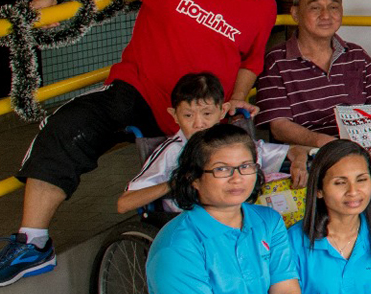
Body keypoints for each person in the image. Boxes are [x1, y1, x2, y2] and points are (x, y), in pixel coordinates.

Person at [0, 0, 284, 286]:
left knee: (236, 170)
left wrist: (237, 97)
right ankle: (32, 243)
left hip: (205, 115)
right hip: (141, 91)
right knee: (71, 126)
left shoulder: (263, 5)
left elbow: (251, 60)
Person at [145, 125, 301, 294]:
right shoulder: (177, 247)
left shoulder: (269, 221)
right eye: (221, 169)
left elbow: (286, 288)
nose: (237, 178)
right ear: (194, 178)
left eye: (246, 166)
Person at [119, 74, 295, 214]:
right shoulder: (172, 151)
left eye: (207, 114)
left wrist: (301, 154)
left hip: (235, 216)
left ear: (222, 111)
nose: (198, 124)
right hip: (189, 226)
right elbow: (124, 204)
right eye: (188, 115)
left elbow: (281, 152)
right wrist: (174, 184)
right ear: (174, 116)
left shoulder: (232, 142)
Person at [256, 0, 371, 150]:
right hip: (310, 154)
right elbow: (279, 127)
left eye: (333, 7)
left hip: (362, 150)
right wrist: (324, 143)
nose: (326, 15)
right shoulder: (277, 61)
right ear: (295, 13)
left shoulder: (357, 55)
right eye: (315, 7)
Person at [289, 140, 371, 294]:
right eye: (340, 183)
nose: (353, 191)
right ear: (319, 190)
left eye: (361, 180)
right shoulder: (294, 240)